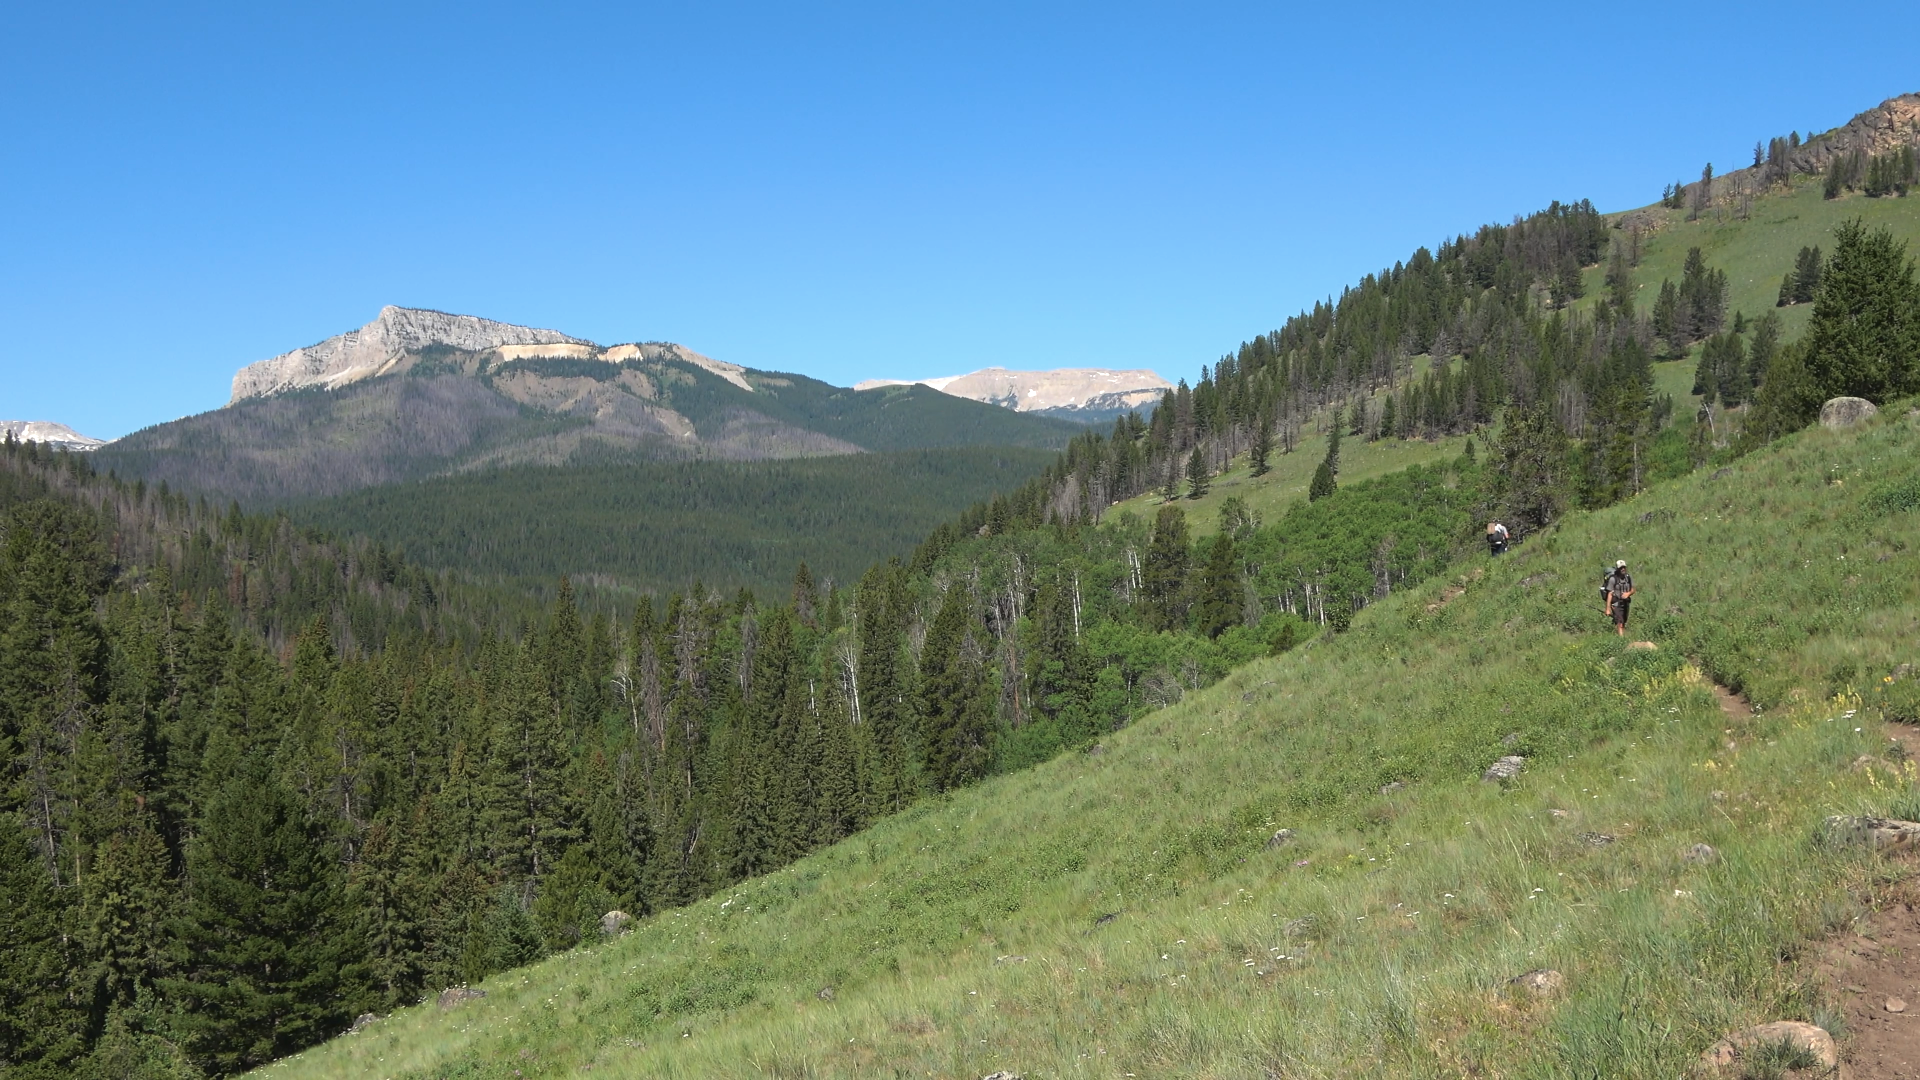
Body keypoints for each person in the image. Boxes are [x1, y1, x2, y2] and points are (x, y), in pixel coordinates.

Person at [1607, 559, 1634, 636]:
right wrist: (1608, 609)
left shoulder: (1628, 578)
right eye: (1621, 568)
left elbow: (1633, 589)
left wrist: (1628, 593)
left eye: (1624, 567)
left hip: (1625, 603)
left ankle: (1622, 637)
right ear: (1617, 569)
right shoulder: (1613, 579)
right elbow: (1610, 594)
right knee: (1620, 622)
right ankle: (1621, 640)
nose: (1623, 569)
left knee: (1624, 621)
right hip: (1616, 603)